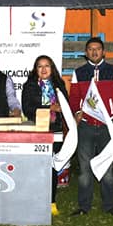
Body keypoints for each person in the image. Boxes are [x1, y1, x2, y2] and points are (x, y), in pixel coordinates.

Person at [68, 36, 113, 216]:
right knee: (85, 169)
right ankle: (84, 206)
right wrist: (77, 112)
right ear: (86, 53)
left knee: (107, 169)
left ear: (103, 52)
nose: (94, 52)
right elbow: (74, 98)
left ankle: (109, 206)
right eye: (90, 49)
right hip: (85, 126)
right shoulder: (79, 72)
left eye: (97, 49)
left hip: (107, 127)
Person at [21, 55, 69, 216]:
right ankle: (33, 201)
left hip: (55, 131)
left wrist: (61, 110)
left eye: (47, 66)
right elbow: (27, 109)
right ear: (36, 69)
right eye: (40, 66)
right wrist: (49, 107)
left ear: (52, 68)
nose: (43, 69)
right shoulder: (30, 86)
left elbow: (66, 105)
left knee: (51, 167)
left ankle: (51, 202)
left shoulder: (59, 84)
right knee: (36, 167)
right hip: (36, 130)